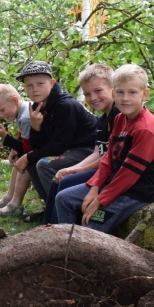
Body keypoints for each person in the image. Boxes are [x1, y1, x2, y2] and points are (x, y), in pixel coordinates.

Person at [55, 64, 154, 233]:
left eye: (132, 92)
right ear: (114, 93)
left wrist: (100, 200)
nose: (125, 98)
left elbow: (128, 174)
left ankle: (81, 254)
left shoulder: (145, 129)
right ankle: (65, 243)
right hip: (112, 183)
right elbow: (109, 158)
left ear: (145, 94)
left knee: (91, 223)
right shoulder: (121, 118)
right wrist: (94, 188)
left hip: (135, 192)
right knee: (64, 198)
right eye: (120, 92)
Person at [11, 61, 97, 219]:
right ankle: (52, 207)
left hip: (88, 151)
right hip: (68, 149)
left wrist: (28, 156)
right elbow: (40, 146)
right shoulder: (40, 106)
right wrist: (35, 128)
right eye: (29, 85)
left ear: (52, 83)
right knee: (33, 162)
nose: (35, 89)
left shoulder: (65, 105)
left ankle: (65, 213)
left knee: (44, 165)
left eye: (40, 84)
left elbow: (57, 147)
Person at [43, 63, 118, 224]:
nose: (93, 98)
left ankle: (61, 232)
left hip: (110, 173)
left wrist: (79, 169)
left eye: (98, 91)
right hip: (101, 168)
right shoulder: (102, 119)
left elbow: (111, 157)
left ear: (113, 88)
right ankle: (47, 227)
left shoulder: (119, 115)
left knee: (66, 184)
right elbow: (98, 152)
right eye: (87, 94)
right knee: (60, 179)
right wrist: (72, 169)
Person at [0, 84, 32, 218]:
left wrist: (5, 137)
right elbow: (24, 140)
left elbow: (27, 148)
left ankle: (15, 204)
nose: (1, 115)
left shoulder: (25, 117)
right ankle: (9, 197)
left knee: (24, 161)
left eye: (2, 110)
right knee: (19, 159)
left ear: (15, 100)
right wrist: (14, 149)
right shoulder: (22, 111)